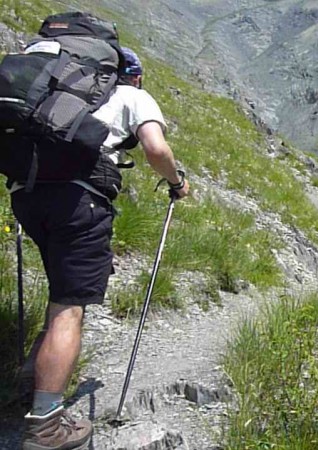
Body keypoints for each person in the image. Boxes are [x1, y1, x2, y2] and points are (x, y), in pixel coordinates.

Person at [13, 46, 189, 450]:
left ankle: (32, 379)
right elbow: (156, 149)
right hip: (79, 202)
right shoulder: (130, 95)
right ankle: (45, 425)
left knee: (60, 288)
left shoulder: (54, 92)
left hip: (27, 196)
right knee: (69, 306)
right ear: (134, 76)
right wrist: (177, 183)